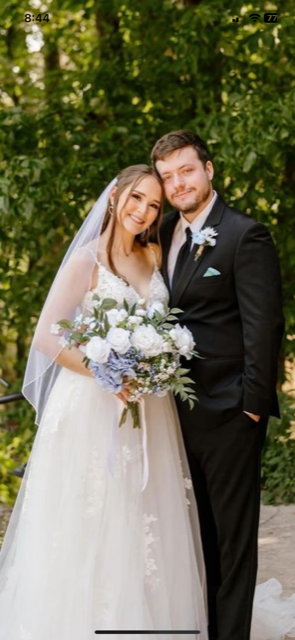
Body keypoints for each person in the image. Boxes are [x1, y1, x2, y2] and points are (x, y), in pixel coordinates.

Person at [0, 162, 294, 640]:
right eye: (137, 198)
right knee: (94, 514)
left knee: (149, 517)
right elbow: (46, 337)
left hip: (154, 409)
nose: (144, 210)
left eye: (154, 204)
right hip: (94, 405)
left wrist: (150, 368)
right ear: (115, 197)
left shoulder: (157, 254)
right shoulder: (86, 261)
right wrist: (106, 372)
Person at [151, 130, 290, 640]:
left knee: (233, 546)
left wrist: (252, 408)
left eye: (186, 170)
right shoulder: (162, 232)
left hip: (231, 415)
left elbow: (264, 326)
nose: (178, 183)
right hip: (172, 417)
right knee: (195, 539)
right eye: (168, 177)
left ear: (209, 169)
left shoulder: (244, 235)